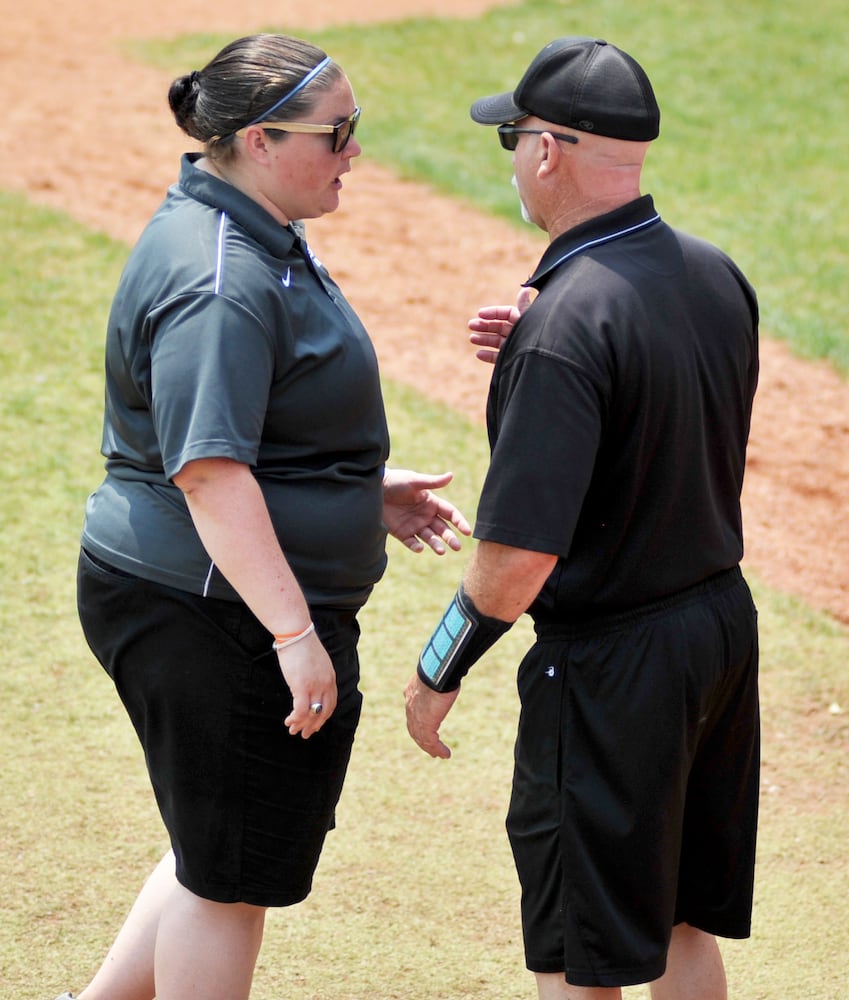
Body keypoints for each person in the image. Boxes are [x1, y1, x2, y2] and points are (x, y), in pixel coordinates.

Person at [57, 33, 471, 1000]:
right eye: (338, 134)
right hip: (214, 610)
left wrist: (353, 491)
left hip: (205, 591)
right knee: (229, 880)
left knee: (217, 844)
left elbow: (245, 433)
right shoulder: (221, 276)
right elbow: (206, 472)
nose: (355, 153)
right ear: (256, 140)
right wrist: (292, 632)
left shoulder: (252, 232)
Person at [405, 36, 760, 1000]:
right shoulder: (711, 274)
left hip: (611, 669)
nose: (513, 156)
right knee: (680, 917)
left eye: (513, 138)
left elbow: (517, 559)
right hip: (717, 631)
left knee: (581, 952)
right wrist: (545, 357)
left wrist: (440, 665)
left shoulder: (562, 327)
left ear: (550, 150)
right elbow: (660, 397)